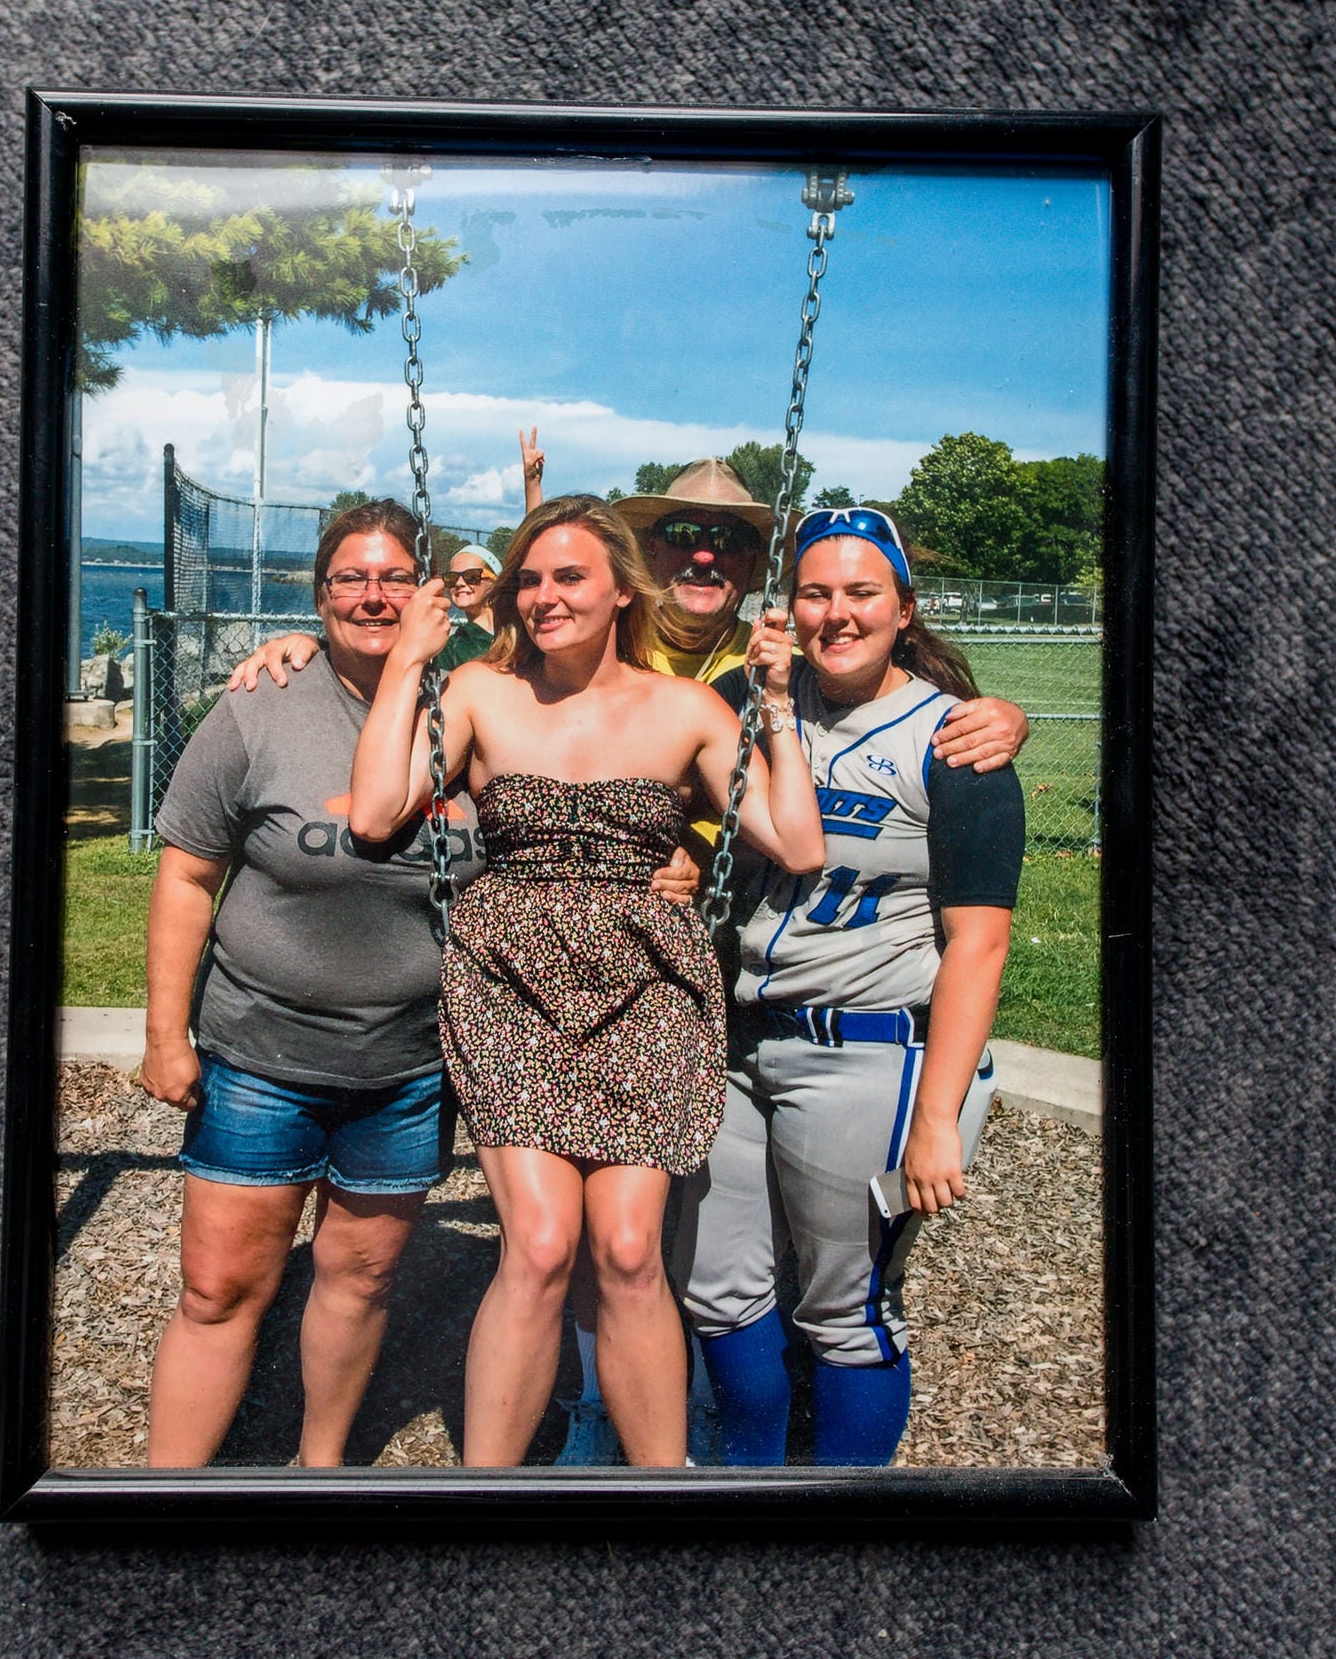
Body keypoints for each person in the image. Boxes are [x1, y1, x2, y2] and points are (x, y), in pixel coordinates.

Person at [346, 494, 826, 1467]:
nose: (543, 594)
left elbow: (797, 841)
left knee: (628, 1251)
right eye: (529, 577)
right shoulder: (481, 693)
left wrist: (773, 704)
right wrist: (407, 662)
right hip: (510, 978)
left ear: (619, 590)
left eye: (568, 576)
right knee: (542, 1244)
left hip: (644, 985)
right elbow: (372, 815)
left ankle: (662, 1491)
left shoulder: (686, 708)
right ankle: (486, 1492)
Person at [669, 504, 1028, 1467]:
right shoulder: (758, 708)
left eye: (861, 593)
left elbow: (979, 943)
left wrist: (940, 1113)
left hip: (867, 1049)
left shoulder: (955, 741)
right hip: (740, 1046)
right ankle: (744, 1484)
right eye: (816, 592)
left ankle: (845, 1521)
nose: (836, 612)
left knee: (846, 1311)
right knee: (719, 1288)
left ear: (904, 609)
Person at [138, 499, 487, 1468]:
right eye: (349, 579)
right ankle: (168, 1495)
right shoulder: (260, 705)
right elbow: (187, 874)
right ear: (320, 592)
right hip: (263, 1054)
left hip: (410, 1068)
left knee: (358, 1280)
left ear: (427, 591)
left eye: (392, 577)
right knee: (218, 1290)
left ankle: (320, 1468)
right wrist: (167, 1036)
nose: (372, 596)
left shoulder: (475, 708)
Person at [434, 542, 502, 671]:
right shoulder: (453, 647)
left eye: (471, 576)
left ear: (494, 580)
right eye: (452, 578)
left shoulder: (517, 631)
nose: (459, 583)